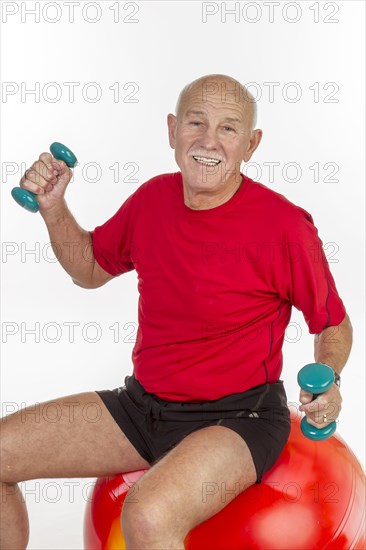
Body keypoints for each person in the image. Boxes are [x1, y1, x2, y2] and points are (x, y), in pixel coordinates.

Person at [0, 74, 352, 550]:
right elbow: (88, 268)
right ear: (172, 131)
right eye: (196, 122)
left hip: (239, 418)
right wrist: (53, 206)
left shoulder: (284, 226)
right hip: (142, 406)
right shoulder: (152, 200)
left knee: (145, 514)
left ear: (251, 145)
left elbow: (331, 321)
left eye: (228, 129)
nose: (209, 140)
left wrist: (329, 376)